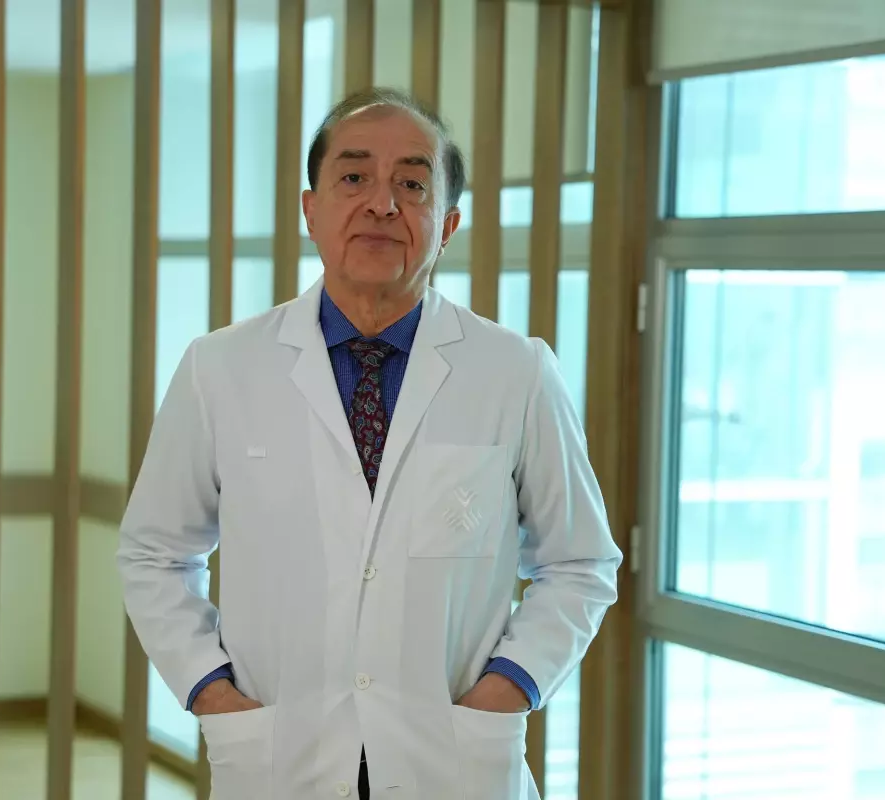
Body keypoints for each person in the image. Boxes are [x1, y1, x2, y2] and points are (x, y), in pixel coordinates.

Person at [117, 87, 621, 800]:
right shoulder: (220, 368)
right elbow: (154, 553)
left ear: (447, 224)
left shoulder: (517, 372)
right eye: (354, 177)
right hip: (280, 756)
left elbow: (581, 561)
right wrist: (211, 692)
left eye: (412, 185)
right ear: (310, 210)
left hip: (451, 759)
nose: (382, 203)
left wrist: (509, 688)